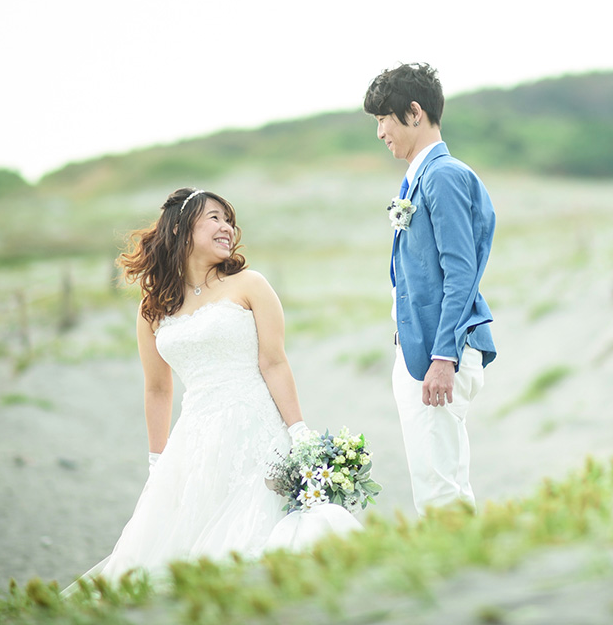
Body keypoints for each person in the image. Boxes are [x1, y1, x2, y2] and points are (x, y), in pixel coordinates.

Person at [67, 187, 358, 591]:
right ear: (182, 231)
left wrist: (299, 432)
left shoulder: (250, 284)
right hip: (195, 438)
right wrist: (157, 461)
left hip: (256, 427)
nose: (227, 227)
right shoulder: (153, 308)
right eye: (215, 218)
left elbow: (273, 362)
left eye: (229, 219)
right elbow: (157, 389)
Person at [364, 62, 497, 514]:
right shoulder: (421, 176)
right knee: (443, 482)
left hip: (439, 354)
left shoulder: (442, 175)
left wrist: (443, 357)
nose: (380, 131)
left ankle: (456, 580)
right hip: (425, 349)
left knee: (438, 490)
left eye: (384, 117)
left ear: (414, 112)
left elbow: (461, 272)